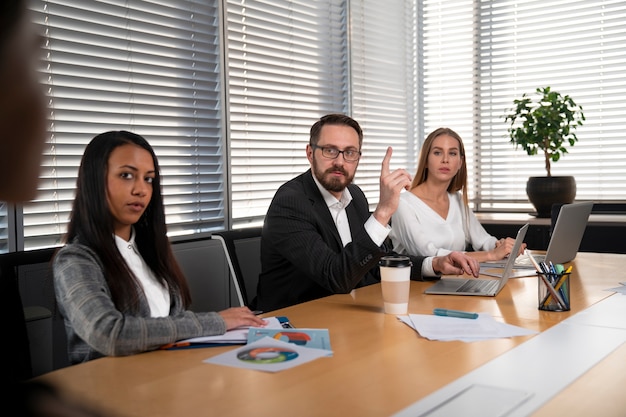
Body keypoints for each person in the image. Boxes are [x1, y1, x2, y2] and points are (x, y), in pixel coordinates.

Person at [53, 130, 265, 364]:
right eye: (126, 175)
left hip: (164, 376)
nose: (141, 189)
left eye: (149, 179)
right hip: (110, 388)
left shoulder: (147, 250)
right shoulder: (75, 260)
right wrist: (216, 321)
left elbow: (171, 323)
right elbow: (109, 333)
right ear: (94, 180)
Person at [256, 114, 479, 312]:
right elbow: (336, 277)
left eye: (350, 153)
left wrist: (435, 264)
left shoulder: (354, 196)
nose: (340, 162)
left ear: (358, 158)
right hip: (296, 320)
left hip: (347, 312)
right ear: (310, 152)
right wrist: (382, 212)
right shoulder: (291, 202)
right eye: (330, 150)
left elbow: (374, 261)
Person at [390, 127, 524, 262]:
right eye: (437, 153)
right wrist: (491, 255)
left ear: (460, 162)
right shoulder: (403, 204)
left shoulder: (456, 199)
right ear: (425, 160)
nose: (445, 159)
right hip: (416, 283)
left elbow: (483, 240)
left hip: (456, 279)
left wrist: (501, 246)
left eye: (453, 153)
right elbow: (427, 254)